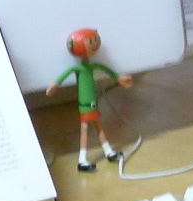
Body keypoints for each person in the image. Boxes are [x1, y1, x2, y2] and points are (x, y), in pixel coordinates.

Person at [47, 27, 132, 172]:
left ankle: (108, 152)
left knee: (98, 126)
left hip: (93, 103)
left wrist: (119, 78)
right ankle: (82, 160)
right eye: (91, 41)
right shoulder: (78, 69)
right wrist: (55, 85)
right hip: (85, 104)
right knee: (85, 129)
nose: (95, 44)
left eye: (95, 40)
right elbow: (64, 75)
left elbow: (107, 71)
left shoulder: (93, 66)